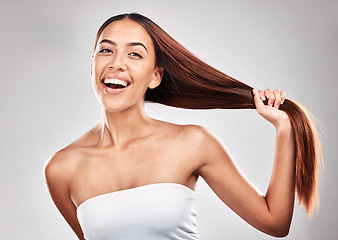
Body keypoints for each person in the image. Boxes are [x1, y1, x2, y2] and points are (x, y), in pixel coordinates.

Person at [44, 13, 321, 240]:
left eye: (135, 55)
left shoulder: (193, 143)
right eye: (106, 50)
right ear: (92, 66)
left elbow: (275, 222)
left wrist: (284, 129)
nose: (117, 64)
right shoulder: (61, 169)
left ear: (155, 76)